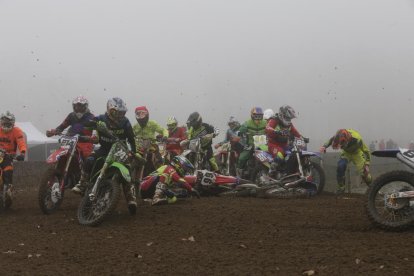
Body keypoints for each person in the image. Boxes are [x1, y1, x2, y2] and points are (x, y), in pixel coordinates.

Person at [72, 97, 138, 212]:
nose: (119, 115)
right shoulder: (101, 118)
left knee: (127, 172)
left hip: (120, 150)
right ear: (110, 110)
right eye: (116, 112)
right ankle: (83, 183)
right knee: (90, 160)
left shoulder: (125, 121)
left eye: (121, 112)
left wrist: (133, 152)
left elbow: (131, 138)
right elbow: (87, 125)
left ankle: (131, 199)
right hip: (105, 148)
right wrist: (94, 124)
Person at [320, 129, 372, 194]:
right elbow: (331, 140)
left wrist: (367, 164)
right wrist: (324, 146)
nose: (341, 146)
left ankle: (372, 187)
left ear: (347, 139)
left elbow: (366, 151)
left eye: (342, 144)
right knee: (340, 166)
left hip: (357, 153)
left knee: (364, 172)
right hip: (346, 153)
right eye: (340, 144)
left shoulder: (357, 139)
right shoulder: (339, 135)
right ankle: (341, 188)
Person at [133, 106, 168, 176]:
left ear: (147, 114)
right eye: (138, 114)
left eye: (143, 113)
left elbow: (163, 130)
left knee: (159, 161)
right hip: (139, 150)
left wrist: (165, 136)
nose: (140, 115)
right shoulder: (135, 126)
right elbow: (130, 135)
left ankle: (161, 177)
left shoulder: (152, 123)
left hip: (152, 148)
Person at [0, 111, 27, 201]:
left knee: (8, 170)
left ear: (12, 123)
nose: (6, 125)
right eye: (4, 123)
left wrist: (22, 152)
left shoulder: (16, 131)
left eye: (8, 123)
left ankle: (8, 188)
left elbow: (21, 142)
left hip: (9, 155)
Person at [236, 107, 267, 178]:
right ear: (252, 116)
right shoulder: (247, 123)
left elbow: (271, 129)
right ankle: (238, 176)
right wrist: (239, 134)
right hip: (250, 144)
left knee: (271, 157)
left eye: (260, 116)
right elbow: (239, 131)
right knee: (242, 158)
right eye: (256, 116)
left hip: (262, 144)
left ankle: (272, 173)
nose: (258, 118)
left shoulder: (265, 122)